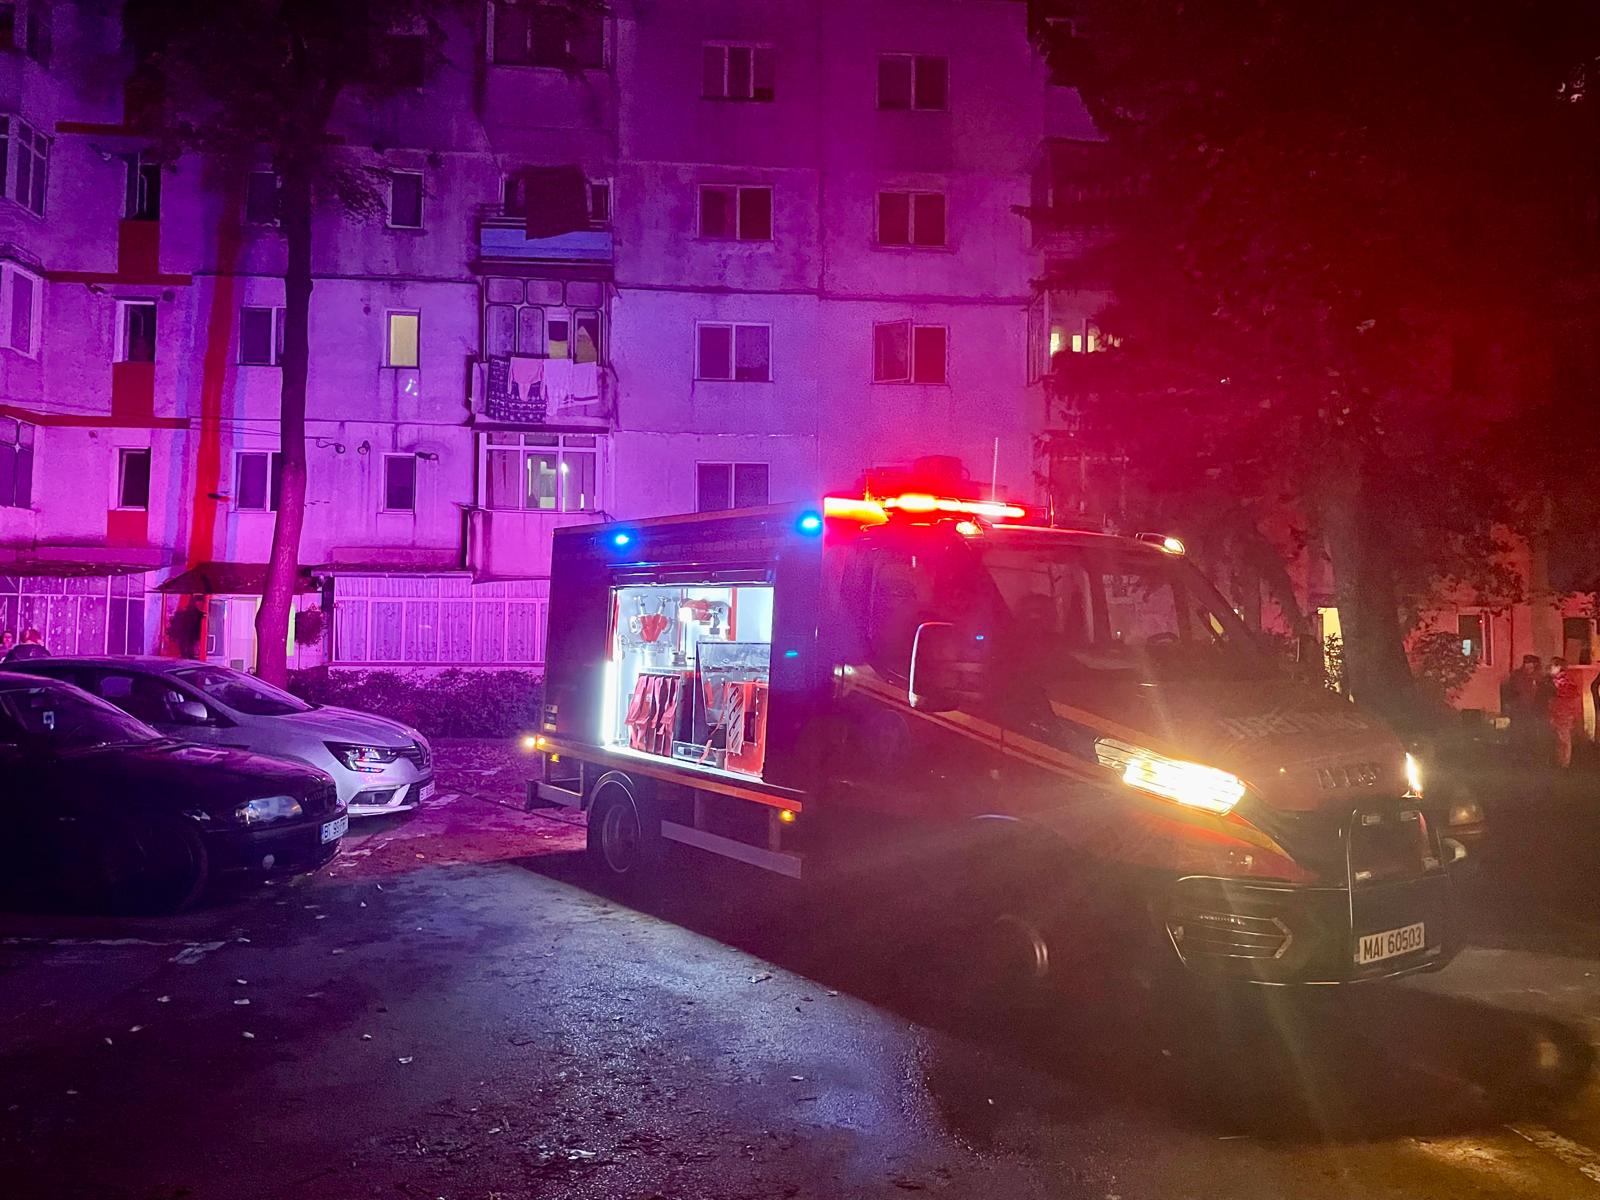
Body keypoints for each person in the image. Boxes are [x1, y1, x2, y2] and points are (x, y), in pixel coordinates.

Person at [1503, 655, 1550, 762]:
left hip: (1533, 709)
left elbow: (1542, 692)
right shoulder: (1517, 675)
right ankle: (1517, 754)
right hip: (1519, 709)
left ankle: (1530, 754)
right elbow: (1510, 691)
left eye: (1532, 664)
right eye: (1527, 663)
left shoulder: (1538, 676)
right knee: (1518, 731)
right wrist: (1511, 704)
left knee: (1531, 732)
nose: (1529, 666)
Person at [1549, 657, 1585, 769]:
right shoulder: (1560, 681)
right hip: (1561, 714)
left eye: (1552, 666)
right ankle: (1561, 762)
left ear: (1558, 667)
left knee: (1564, 739)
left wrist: (1554, 704)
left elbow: (1565, 699)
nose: (1550, 668)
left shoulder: (1563, 682)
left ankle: (1564, 763)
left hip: (1563, 714)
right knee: (1560, 739)